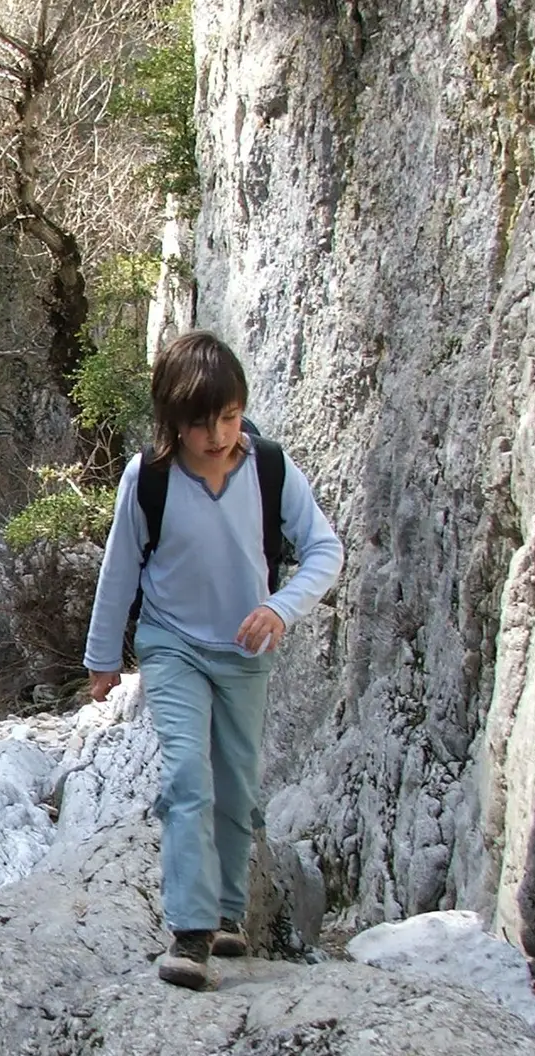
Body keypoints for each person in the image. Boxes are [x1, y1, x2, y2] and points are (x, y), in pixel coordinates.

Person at [83, 330, 343, 990]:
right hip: (171, 645)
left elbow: (324, 550)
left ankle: (229, 913)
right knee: (188, 776)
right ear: (173, 421)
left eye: (229, 417)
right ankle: (190, 931)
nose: (220, 435)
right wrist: (102, 659)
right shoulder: (151, 478)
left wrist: (280, 608)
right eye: (202, 424)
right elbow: (119, 571)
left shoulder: (271, 469)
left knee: (237, 784)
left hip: (245, 652)